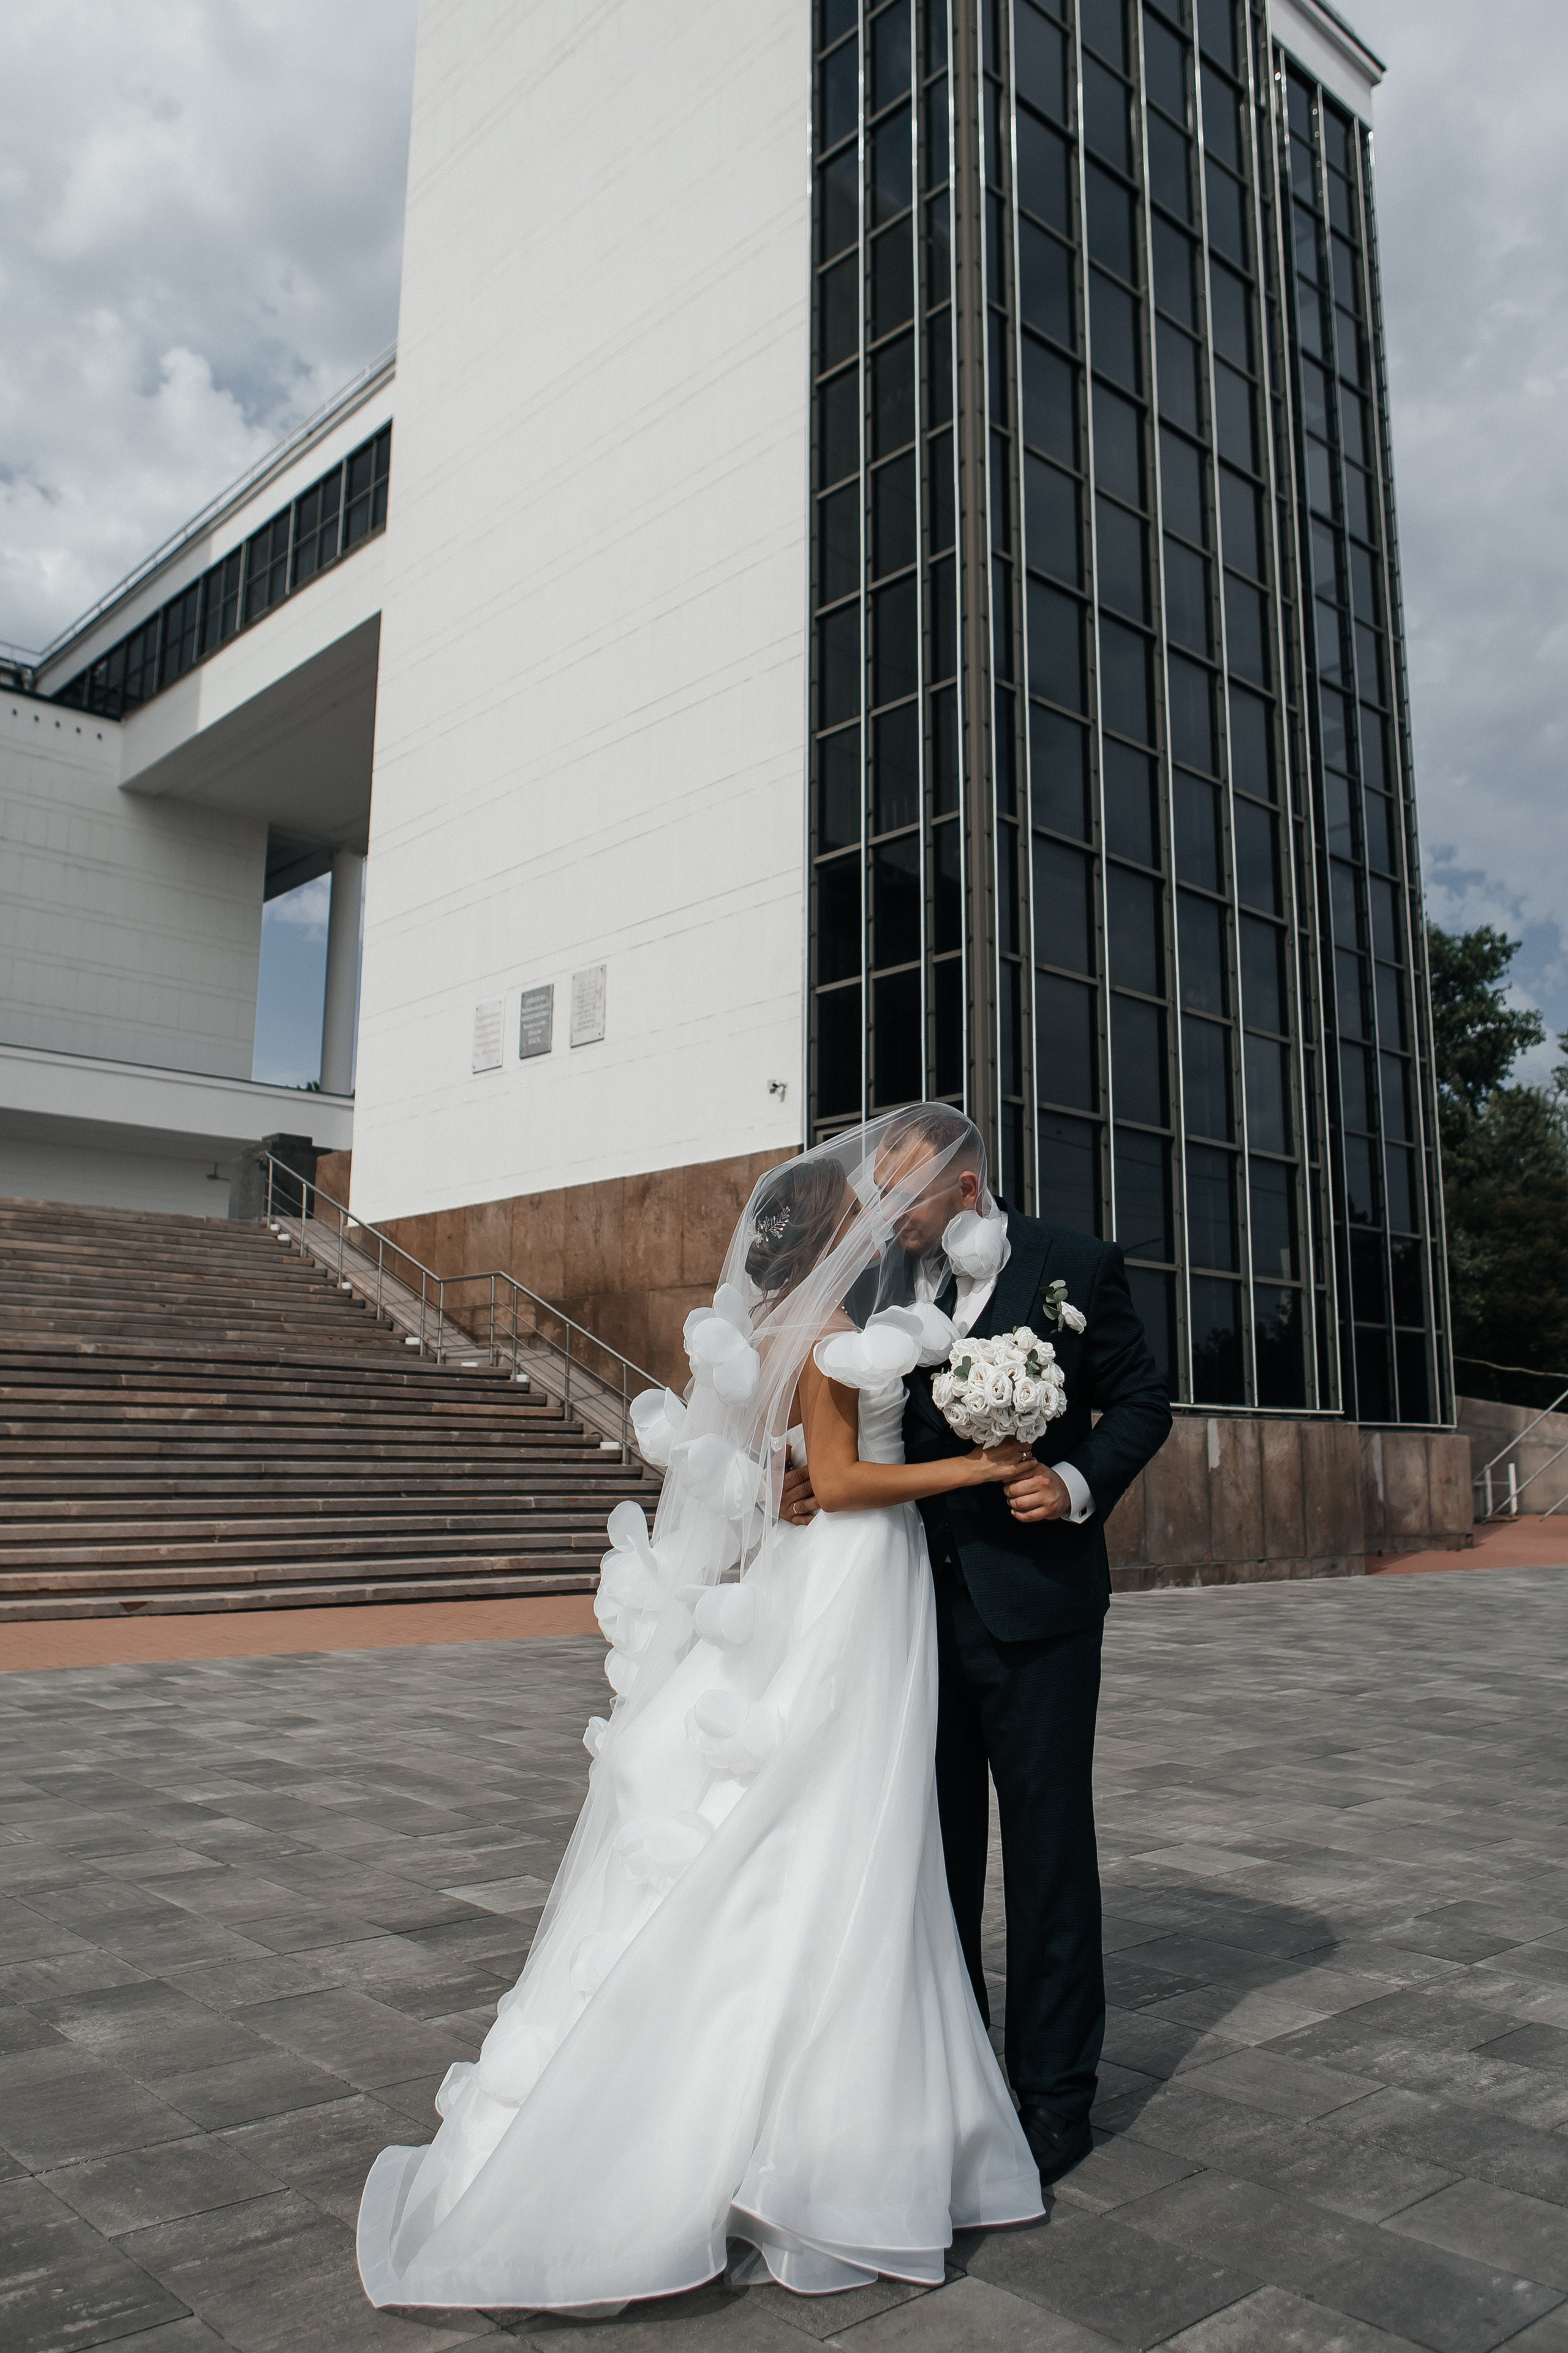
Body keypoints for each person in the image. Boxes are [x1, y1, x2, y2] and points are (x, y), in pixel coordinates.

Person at [357, 1117, 1046, 2316]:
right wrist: (975, 1469)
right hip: (853, 1578)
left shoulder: (777, 1330)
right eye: (861, 1215)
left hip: (819, 1575)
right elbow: (837, 1483)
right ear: (832, 1242)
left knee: (839, 1815)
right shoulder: (824, 1333)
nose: (878, 1222)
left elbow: (794, 1471)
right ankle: (819, 2140)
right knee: (845, 1820)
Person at [783, 1106, 1170, 2188]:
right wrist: (803, 1474)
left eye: (899, 1197)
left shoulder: (1074, 1266)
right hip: (906, 1616)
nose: (882, 1217)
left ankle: (1056, 2098)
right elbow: (846, 1419)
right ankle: (955, 2083)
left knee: (1048, 1855)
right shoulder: (878, 1287)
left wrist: (1077, 1479)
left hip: (1039, 1607)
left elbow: (1142, 1402)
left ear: (962, 1187)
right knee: (934, 1860)